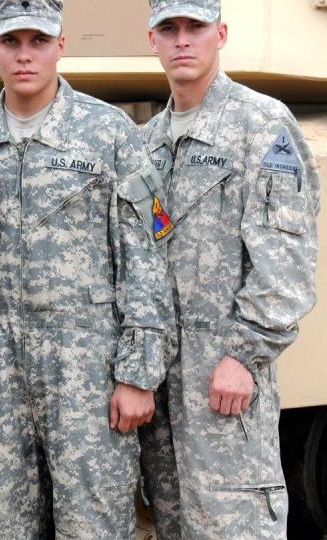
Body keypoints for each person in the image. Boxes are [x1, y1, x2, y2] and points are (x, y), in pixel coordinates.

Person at [0, 1, 175, 537]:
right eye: (11, 42)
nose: (24, 55)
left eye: (37, 41)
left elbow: (147, 252)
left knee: (93, 523)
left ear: (61, 46)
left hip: (88, 371)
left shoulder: (110, 132)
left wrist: (138, 374)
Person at [138, 1, 321, 537]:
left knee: (234, 523)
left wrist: (246, 354)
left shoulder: (261, 123)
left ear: (220, 33)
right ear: (153, 40)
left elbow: (285, 258)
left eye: (195, 27)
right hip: (163, 386)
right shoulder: (150, 142)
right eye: (169, 29)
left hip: (224, 378)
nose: (182, 41)